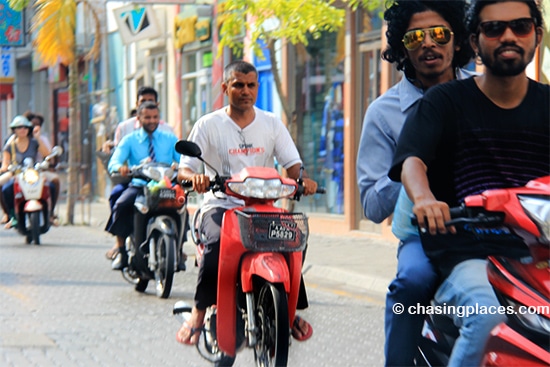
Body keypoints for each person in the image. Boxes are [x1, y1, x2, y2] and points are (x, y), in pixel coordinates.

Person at [388, 1, 548, 366]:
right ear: (474, 42)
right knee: (487, 318)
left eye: (520, 26)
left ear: (537, 35)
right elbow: (412, 159)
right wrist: (425, 198)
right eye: (494, 29)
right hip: (472, 253)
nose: (508, 36)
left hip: (540, 255)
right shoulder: (444, 101)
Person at [355, 1, 474, 365]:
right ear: (401, 47)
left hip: (492, 226)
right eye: (414, 37)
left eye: (439, 34)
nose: (428, 44)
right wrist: (409, 161)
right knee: (410, 282)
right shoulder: (383, 112)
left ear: (456, 41)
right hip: (423, 238)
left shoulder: (485, 94)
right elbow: (373, 207)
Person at [176, 60, 318, 345]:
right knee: (216, 246)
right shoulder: (208, 124)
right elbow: (184, 169)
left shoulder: (271, 124)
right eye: (238, 85)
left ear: (257, 87)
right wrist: (196, 179)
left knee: (292, 240)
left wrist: (304, 179)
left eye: (251, 85)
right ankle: (199, 312)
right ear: (225, 87)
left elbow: (293, 165)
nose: (245, 91)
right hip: (220, 205)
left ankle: (288, 312)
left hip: (262, 207)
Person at [105, 101, 180, 271]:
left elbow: (184, 160)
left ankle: (180, 250)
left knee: (181, 206)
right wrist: (121, 168)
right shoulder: (129, 140)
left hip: (165, 187)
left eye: (155, 117)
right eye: (147, 117)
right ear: (139, 118)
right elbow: (114, 162)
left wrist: (181, 167)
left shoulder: (169, 139)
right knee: (121, 204)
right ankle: (122, 251)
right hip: (140, 186)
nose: (152, 120)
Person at [1, 116, 55, 229]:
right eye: (19, 127)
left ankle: (51, 214)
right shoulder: (10, 145)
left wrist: (38, 137)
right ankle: (10, 215)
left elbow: (46, 154)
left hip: (34, 173)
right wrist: (6, 167)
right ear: (14, 129)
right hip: (15, 174)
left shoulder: (35, 142)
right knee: (5, 188)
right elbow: (5, 162)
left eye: (26, 127)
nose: (23, 129)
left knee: (52, 184)